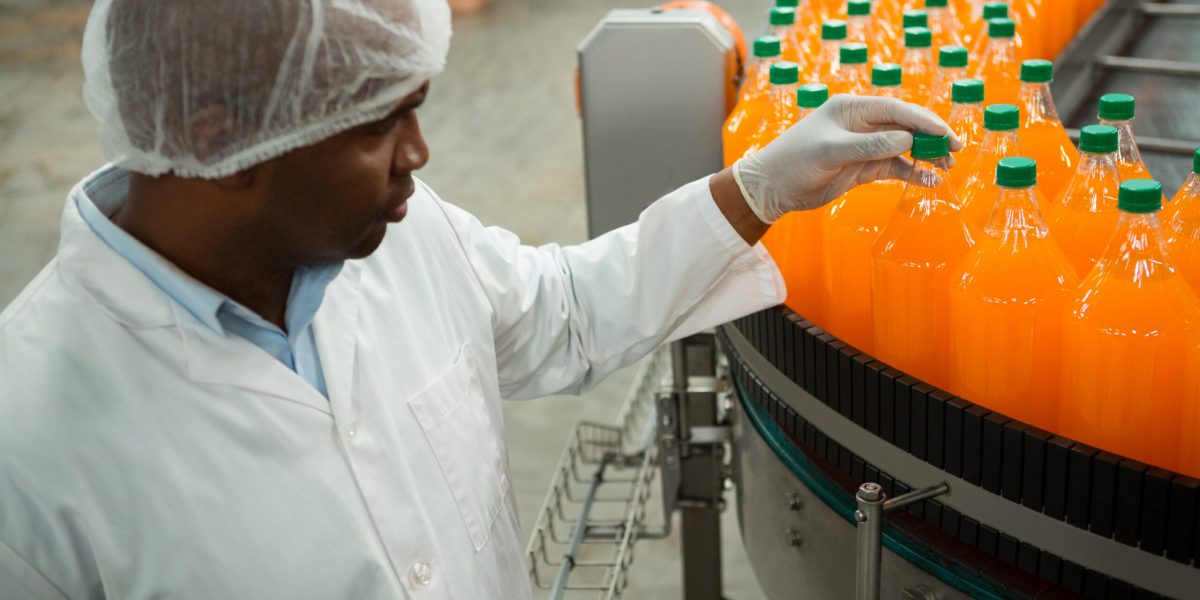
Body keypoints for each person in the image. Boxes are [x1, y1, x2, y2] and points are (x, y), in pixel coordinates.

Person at [0, 1, 958, 598]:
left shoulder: (392, 235)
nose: (419, 154)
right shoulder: (29, 450)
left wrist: (756, 190)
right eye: (382, 124)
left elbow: (565, 313)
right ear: (220, 142)